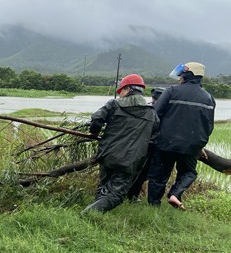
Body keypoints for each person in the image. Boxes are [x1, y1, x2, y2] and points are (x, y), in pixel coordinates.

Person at [82, 74, 159, 214]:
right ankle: (88, 214)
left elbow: (97, 119)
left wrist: (94, 132)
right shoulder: (151, 113)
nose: (120, 94)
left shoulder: (113, 105)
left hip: (107, 155)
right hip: (130, 160)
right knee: (116, 195)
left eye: (121, 91)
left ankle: (94, 214)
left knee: (105, 185)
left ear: (128, 89)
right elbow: (154, 134)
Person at [147, 62, 215, 210]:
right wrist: (200, 144)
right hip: (192, 146)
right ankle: (175, 194)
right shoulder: (209, 98)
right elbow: (209, 126)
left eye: (181, 75)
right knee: (189, 172)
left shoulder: (171, 91)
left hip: (165, 142)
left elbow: (155, 114)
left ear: (186, 75)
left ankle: (153, 207)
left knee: (159, 176)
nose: (179, 78)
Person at [126, 87, 165, 201]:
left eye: (156, 99)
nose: (153, 101)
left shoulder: (152, 109)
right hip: (146, 145)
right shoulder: (148, 109)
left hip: (153, 146)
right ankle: (132, 195)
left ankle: (133, 195)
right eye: (153, 98)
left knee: (145, 173)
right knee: (140, 172)